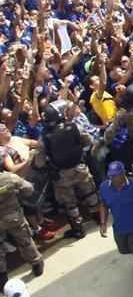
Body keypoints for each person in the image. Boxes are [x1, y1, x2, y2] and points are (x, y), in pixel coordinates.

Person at [37, 101, 98, 240]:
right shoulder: (73, 125)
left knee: (69, 204)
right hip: (79, 167)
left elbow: (40, 162)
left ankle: (78, 230)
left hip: (61, 174)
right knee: (90, 194)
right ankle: (99, 217)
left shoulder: (44, 136)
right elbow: (88, 140)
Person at [97, 161, 133, 287]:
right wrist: (103, 223)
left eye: (116, 175)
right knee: (123, 250)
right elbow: (103, 204)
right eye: (111, 176)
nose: (113, 178)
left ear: (123, 174)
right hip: (119, 226)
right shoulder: (104, 187)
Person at [0, 168, 43, 287]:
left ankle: (2, 279)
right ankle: (36, 264)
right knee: (25, 241)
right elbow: (29, 189)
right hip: (13, 217)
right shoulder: (9, 178)